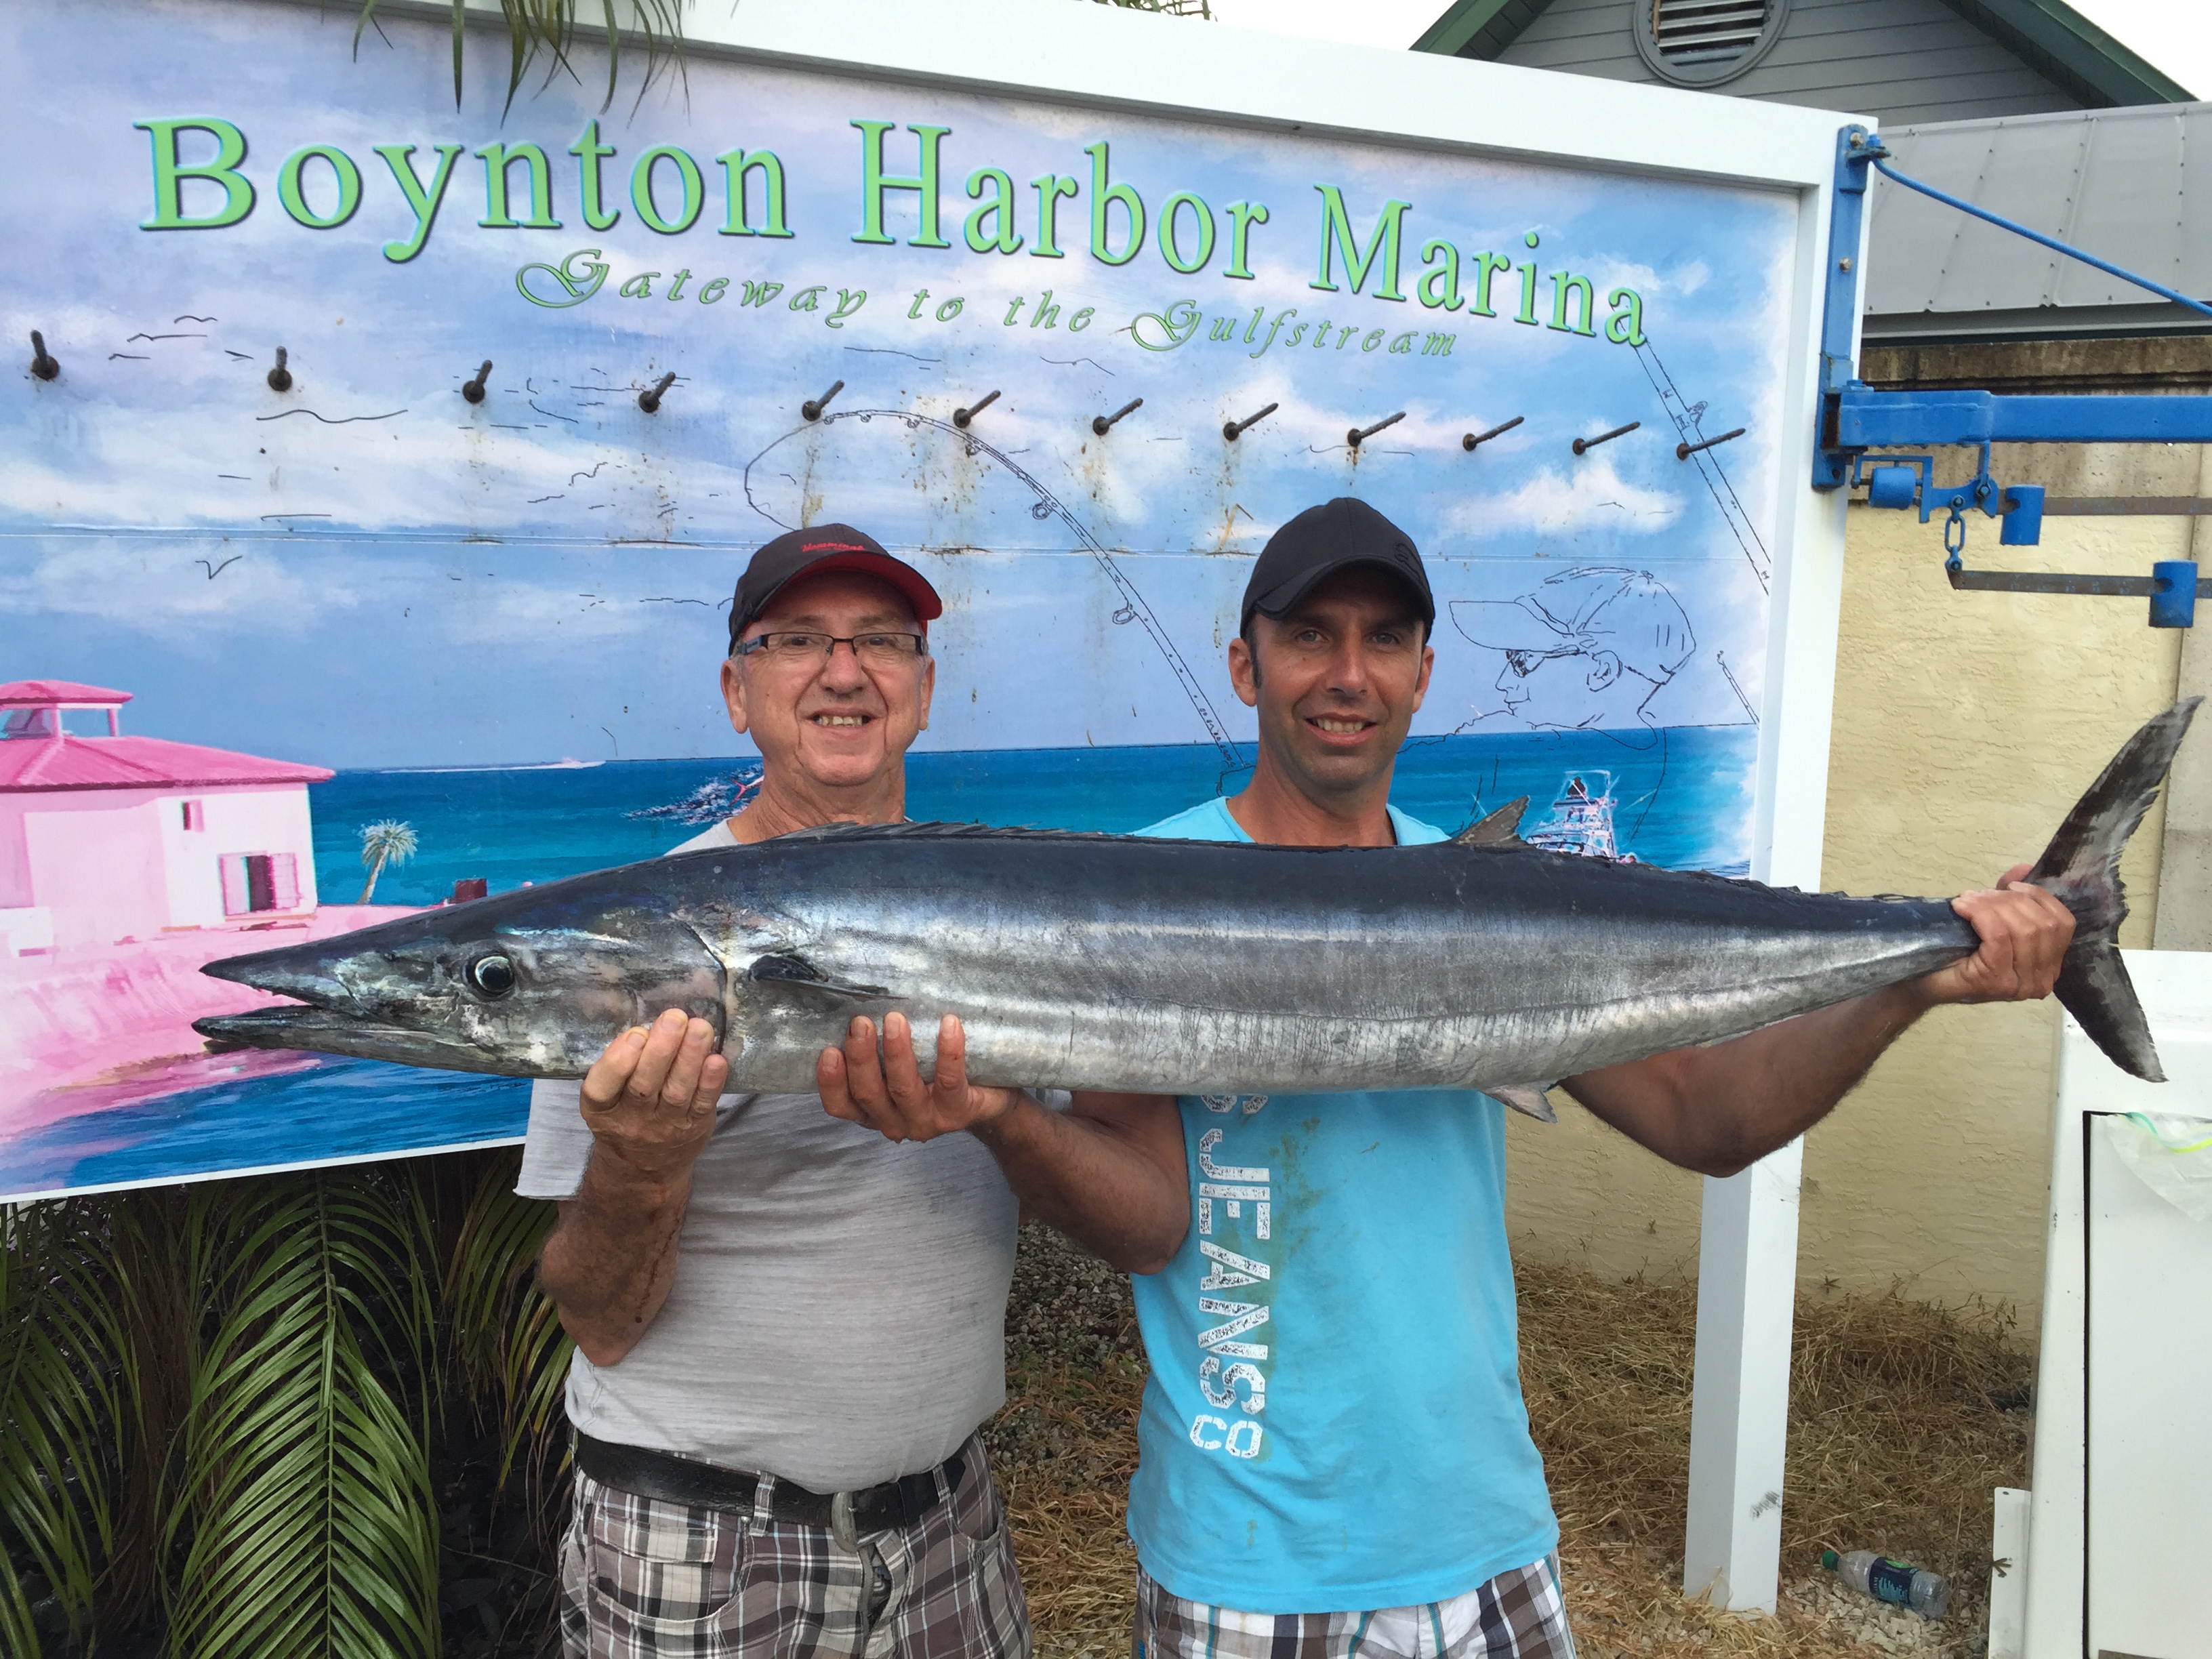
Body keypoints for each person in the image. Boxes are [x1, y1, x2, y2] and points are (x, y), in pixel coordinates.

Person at [818, 497, 2074, 1658]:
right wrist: (991, 1113)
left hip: (1485, 1541)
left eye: (1384, 639)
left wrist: (1916, 977)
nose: (1347, 673)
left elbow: (1711, 1119)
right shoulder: (1137, 891)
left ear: (1425, 673)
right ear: (1248, 663)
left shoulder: (1498, 902)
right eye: (1309, 635)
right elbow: (1148, 1224)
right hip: (1245, 1557)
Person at [521, 525, 1029, 1659]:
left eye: (880, 642)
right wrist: (639, 1167)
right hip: (698, 1547)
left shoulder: (1013, 906)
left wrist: (1006, 1114)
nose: (842, 672)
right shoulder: (625, 943)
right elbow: (597, 1318)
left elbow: (1120, 1207)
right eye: (796, 640)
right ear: (735, 690)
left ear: (924, 688)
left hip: (951, 1527)